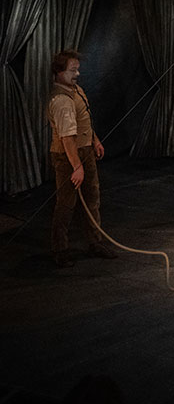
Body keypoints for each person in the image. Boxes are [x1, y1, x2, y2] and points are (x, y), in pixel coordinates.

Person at [47, 50, 117, 267]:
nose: (77, 74)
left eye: (77, 69)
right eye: (72, 70)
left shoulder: (76, 91)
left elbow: (85, 119)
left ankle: (95, 242)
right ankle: (60, 249)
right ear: (59, 72)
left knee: (92, 198)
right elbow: (67, 139)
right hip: (68, 156)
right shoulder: (61, 100)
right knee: (66, 204)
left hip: (85, 152)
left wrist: (95, 141)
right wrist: (76, 166)